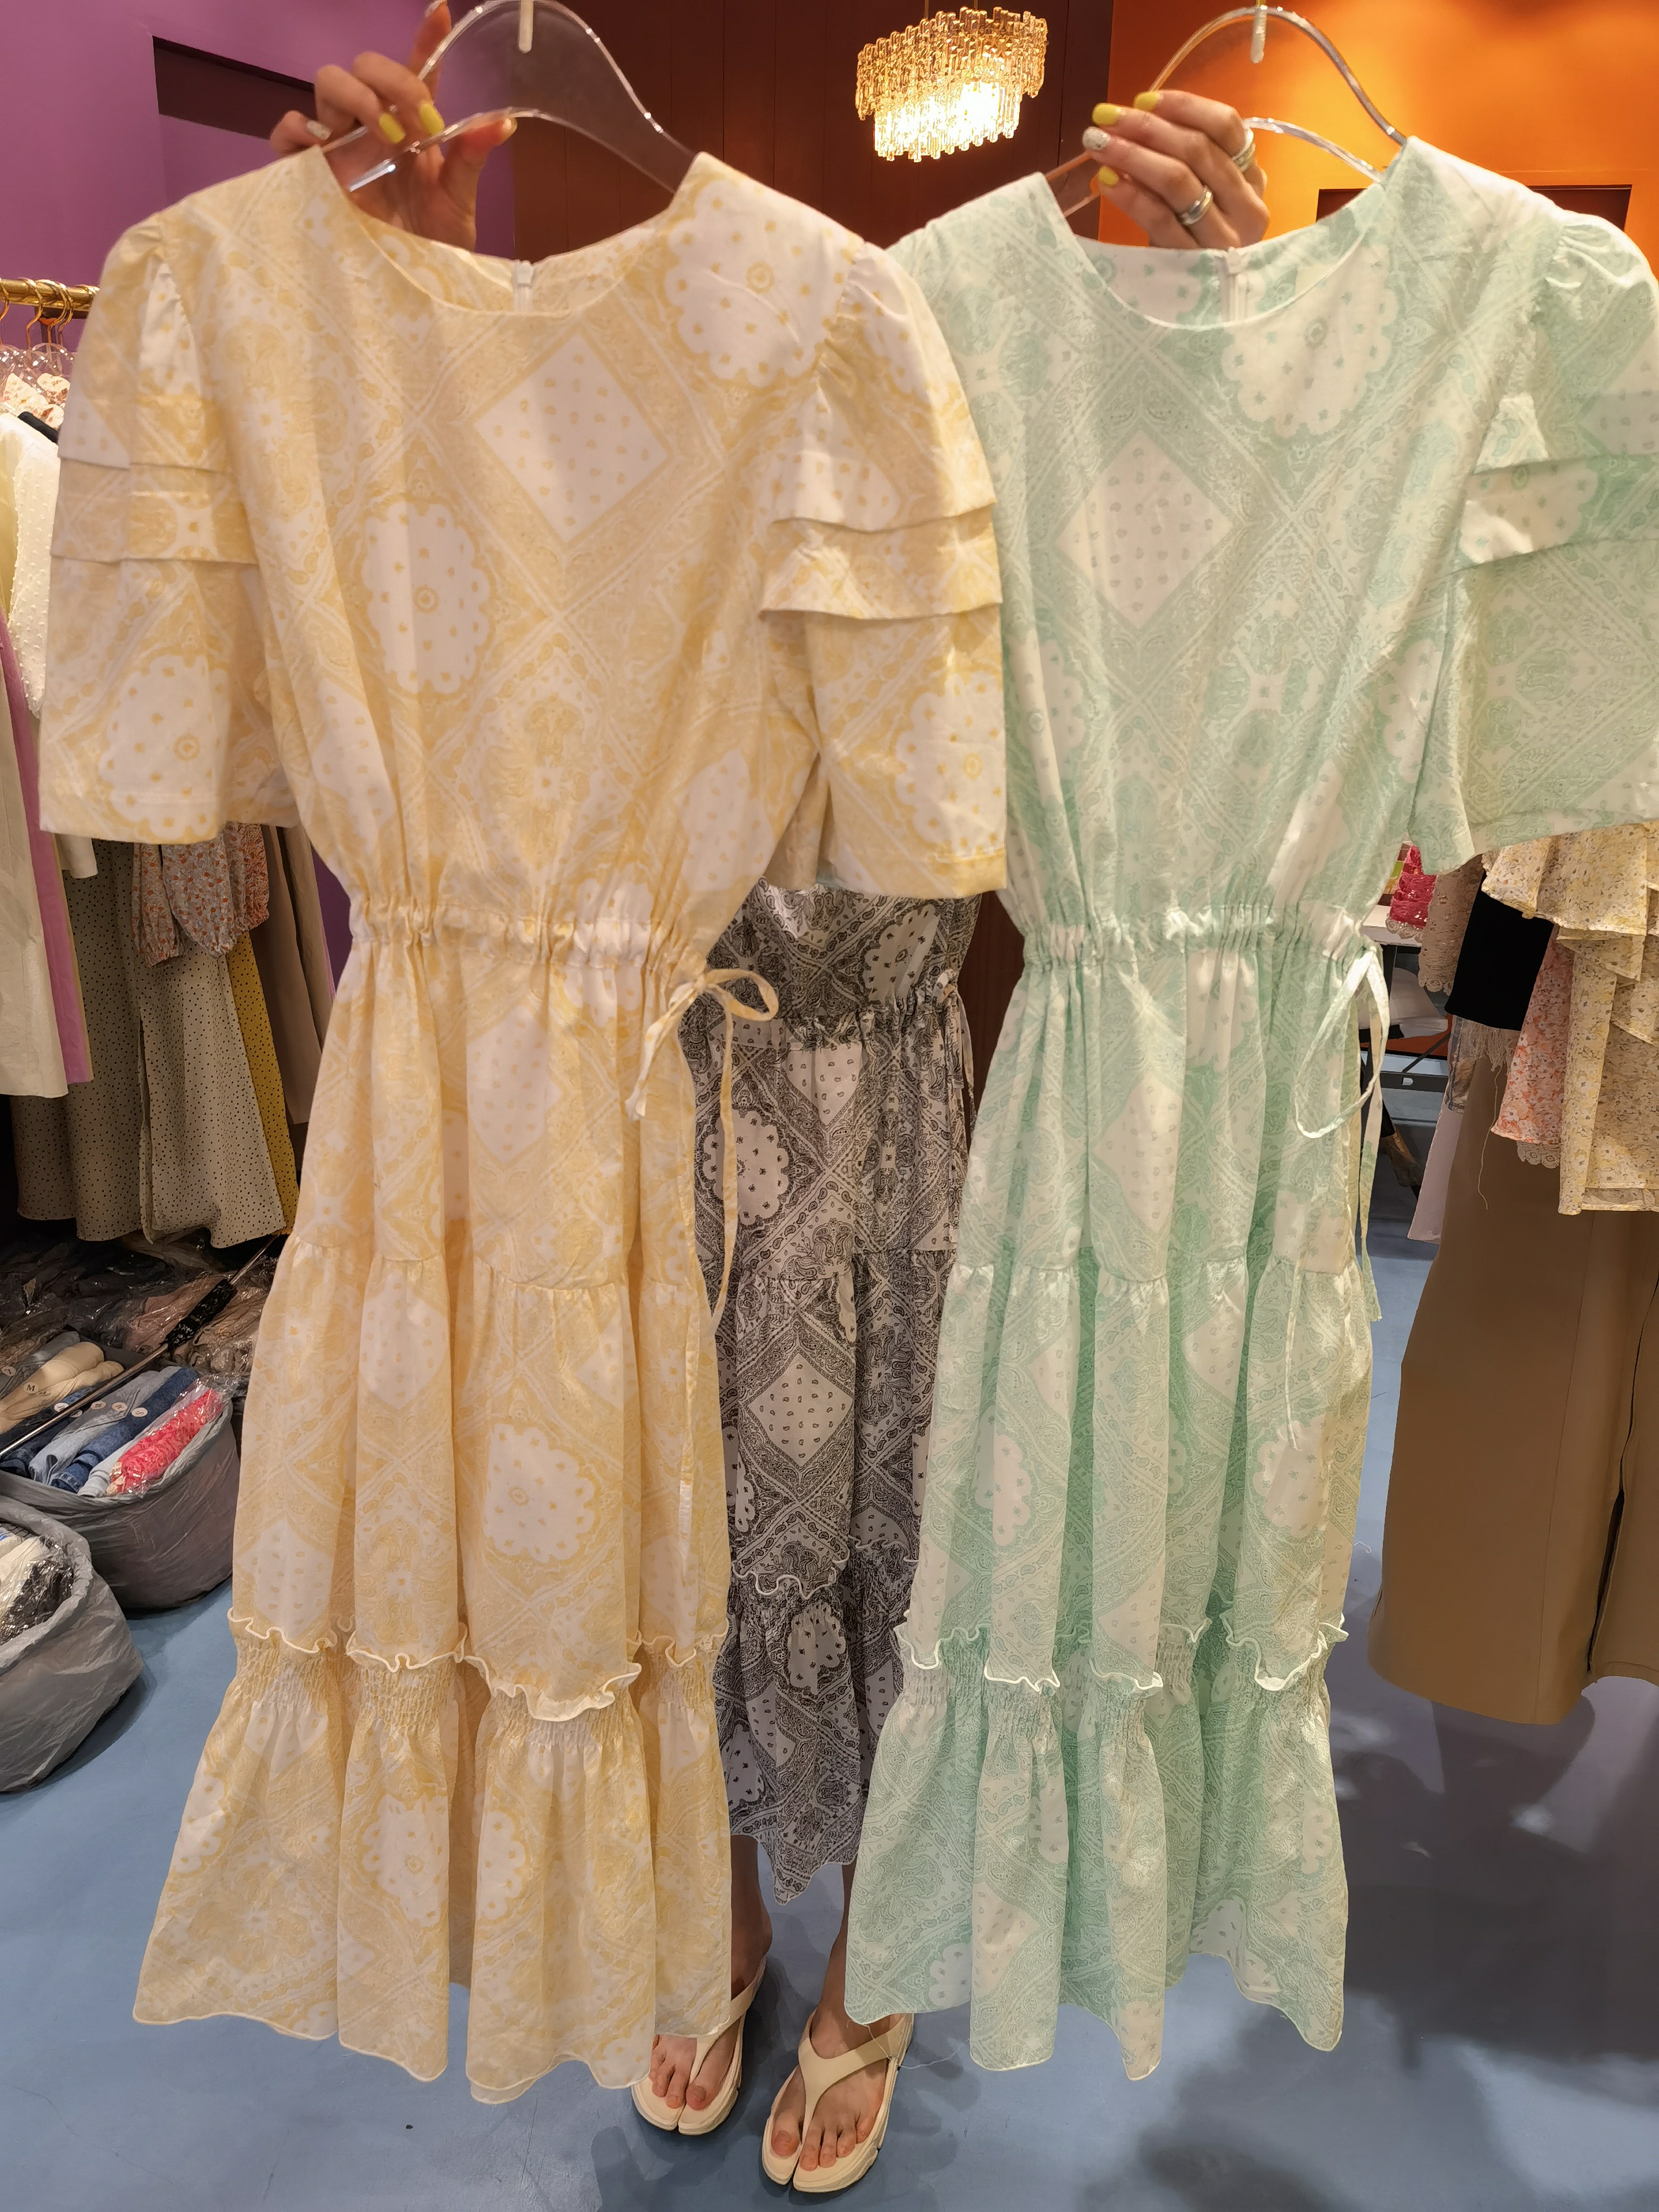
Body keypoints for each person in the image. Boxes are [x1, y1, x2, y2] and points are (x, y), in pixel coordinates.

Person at [269, 8, 1270, 2181]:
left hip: (885, 1083)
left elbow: (1181, 614)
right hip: (641, 1097)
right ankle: (708, 1921)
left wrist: (1213, 335)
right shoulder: (624, 377)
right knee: (677, 1550)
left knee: (907, 1541)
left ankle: (873, 1967)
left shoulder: (966, 350)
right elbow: (454, 573)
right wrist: (401, 282)